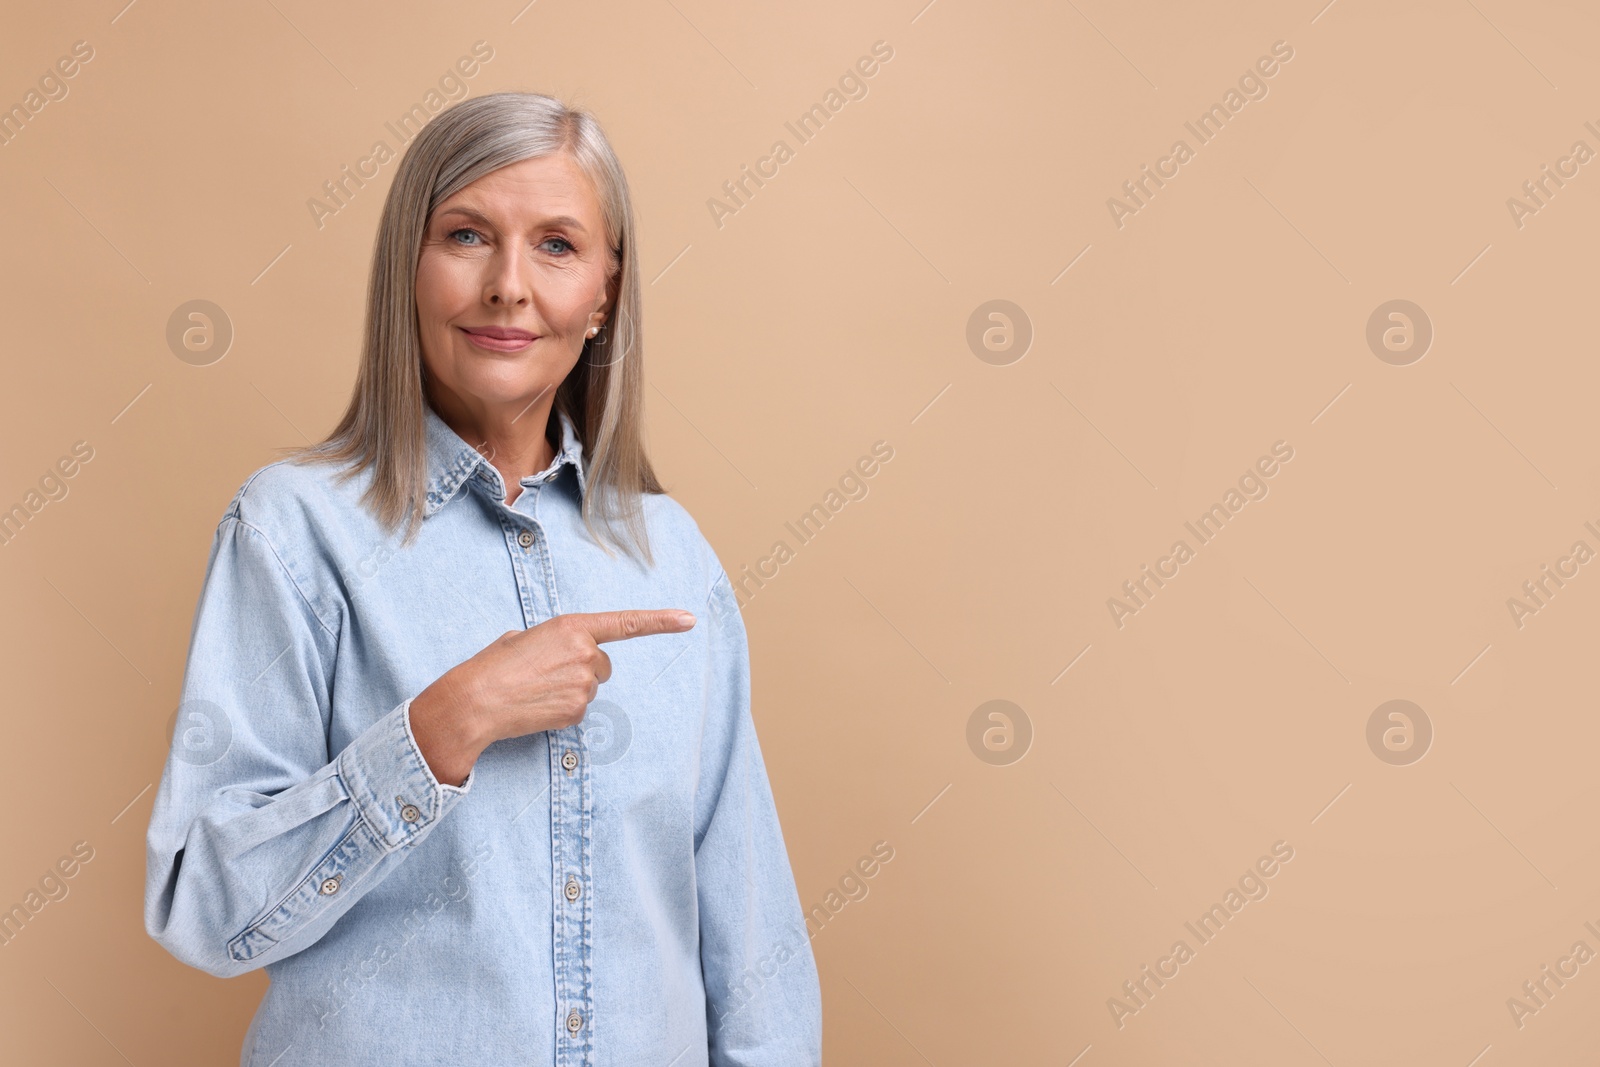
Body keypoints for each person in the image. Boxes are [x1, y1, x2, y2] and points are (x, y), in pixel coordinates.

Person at [144, 90, 821, 1066]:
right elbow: (201, 909)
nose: (509, 285)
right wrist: (437, 729)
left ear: (604, 290)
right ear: (407, 270)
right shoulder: (293, 527)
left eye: (556, 244)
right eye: (466, 234)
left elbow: (749, 928)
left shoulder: (672, 554)